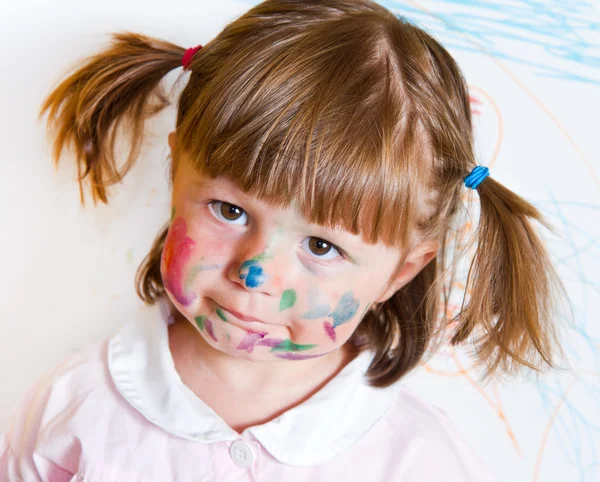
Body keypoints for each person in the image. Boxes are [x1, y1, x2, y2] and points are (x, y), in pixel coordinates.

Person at [1, 0, 568, 480]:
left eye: (321, 246)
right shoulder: (72, 406)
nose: (255, 273)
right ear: (176, 174)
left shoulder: (415, 459)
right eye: (229, 210)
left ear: (400, 272)